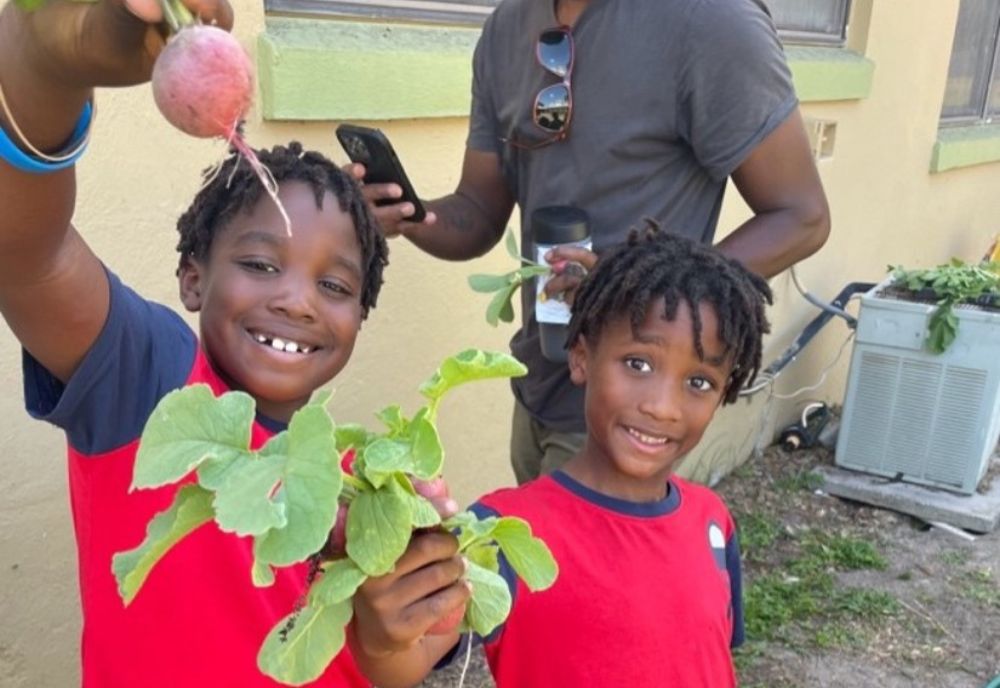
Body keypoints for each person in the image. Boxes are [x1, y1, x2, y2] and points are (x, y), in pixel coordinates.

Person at [0, 0, 438, 684]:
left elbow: (394, 663)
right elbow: (29, 255)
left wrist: (389, 633)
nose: (296, 299)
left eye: (336, 286)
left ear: (361, 313)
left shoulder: (360, 476)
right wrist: (39, 62)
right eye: (262, 265)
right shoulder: (149, 382)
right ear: (194, 278)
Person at [357, 0, 830, 484]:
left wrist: (628, 290)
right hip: (538, 382)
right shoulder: (506, 28)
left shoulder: (711, 22)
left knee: (583, 559)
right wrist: (413, 217)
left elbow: (801, 217)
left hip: (631, 410)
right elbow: (478, 210)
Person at [349, 225, 772, 688]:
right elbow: (400, 665)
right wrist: (382, 634)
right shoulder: (504, 530)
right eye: (638, 363)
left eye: (699, 383)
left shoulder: (713, 520)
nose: (662, 407)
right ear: (581, 358)